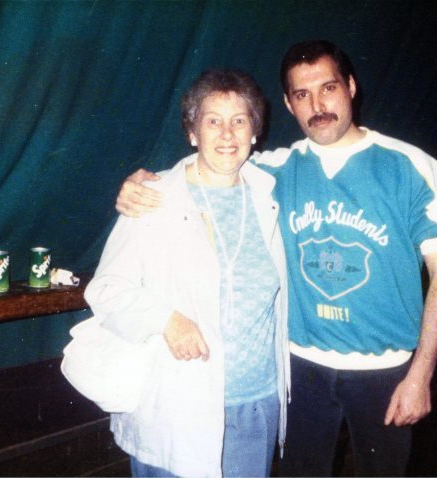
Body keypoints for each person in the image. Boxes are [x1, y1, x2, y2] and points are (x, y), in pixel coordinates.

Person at [115, 40, 437, 477]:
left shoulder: (410, 166)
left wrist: (421, 375)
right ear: (287, 103)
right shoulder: (274, 170)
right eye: (302, 94)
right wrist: (147, 183)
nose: (317, 105)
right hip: (301, 369)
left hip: (386, 369)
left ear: (351, 86)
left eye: (328, 88)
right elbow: (215, 156)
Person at [85, 69, 290, 478]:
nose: (227, 134)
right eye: (213, 121)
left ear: (255, 132)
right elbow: (104, 290)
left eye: (240, 120)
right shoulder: (154, 197)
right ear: (193, 132)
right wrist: (166, 320)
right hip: (179, 406)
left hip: (254, 405)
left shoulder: (271, 192)